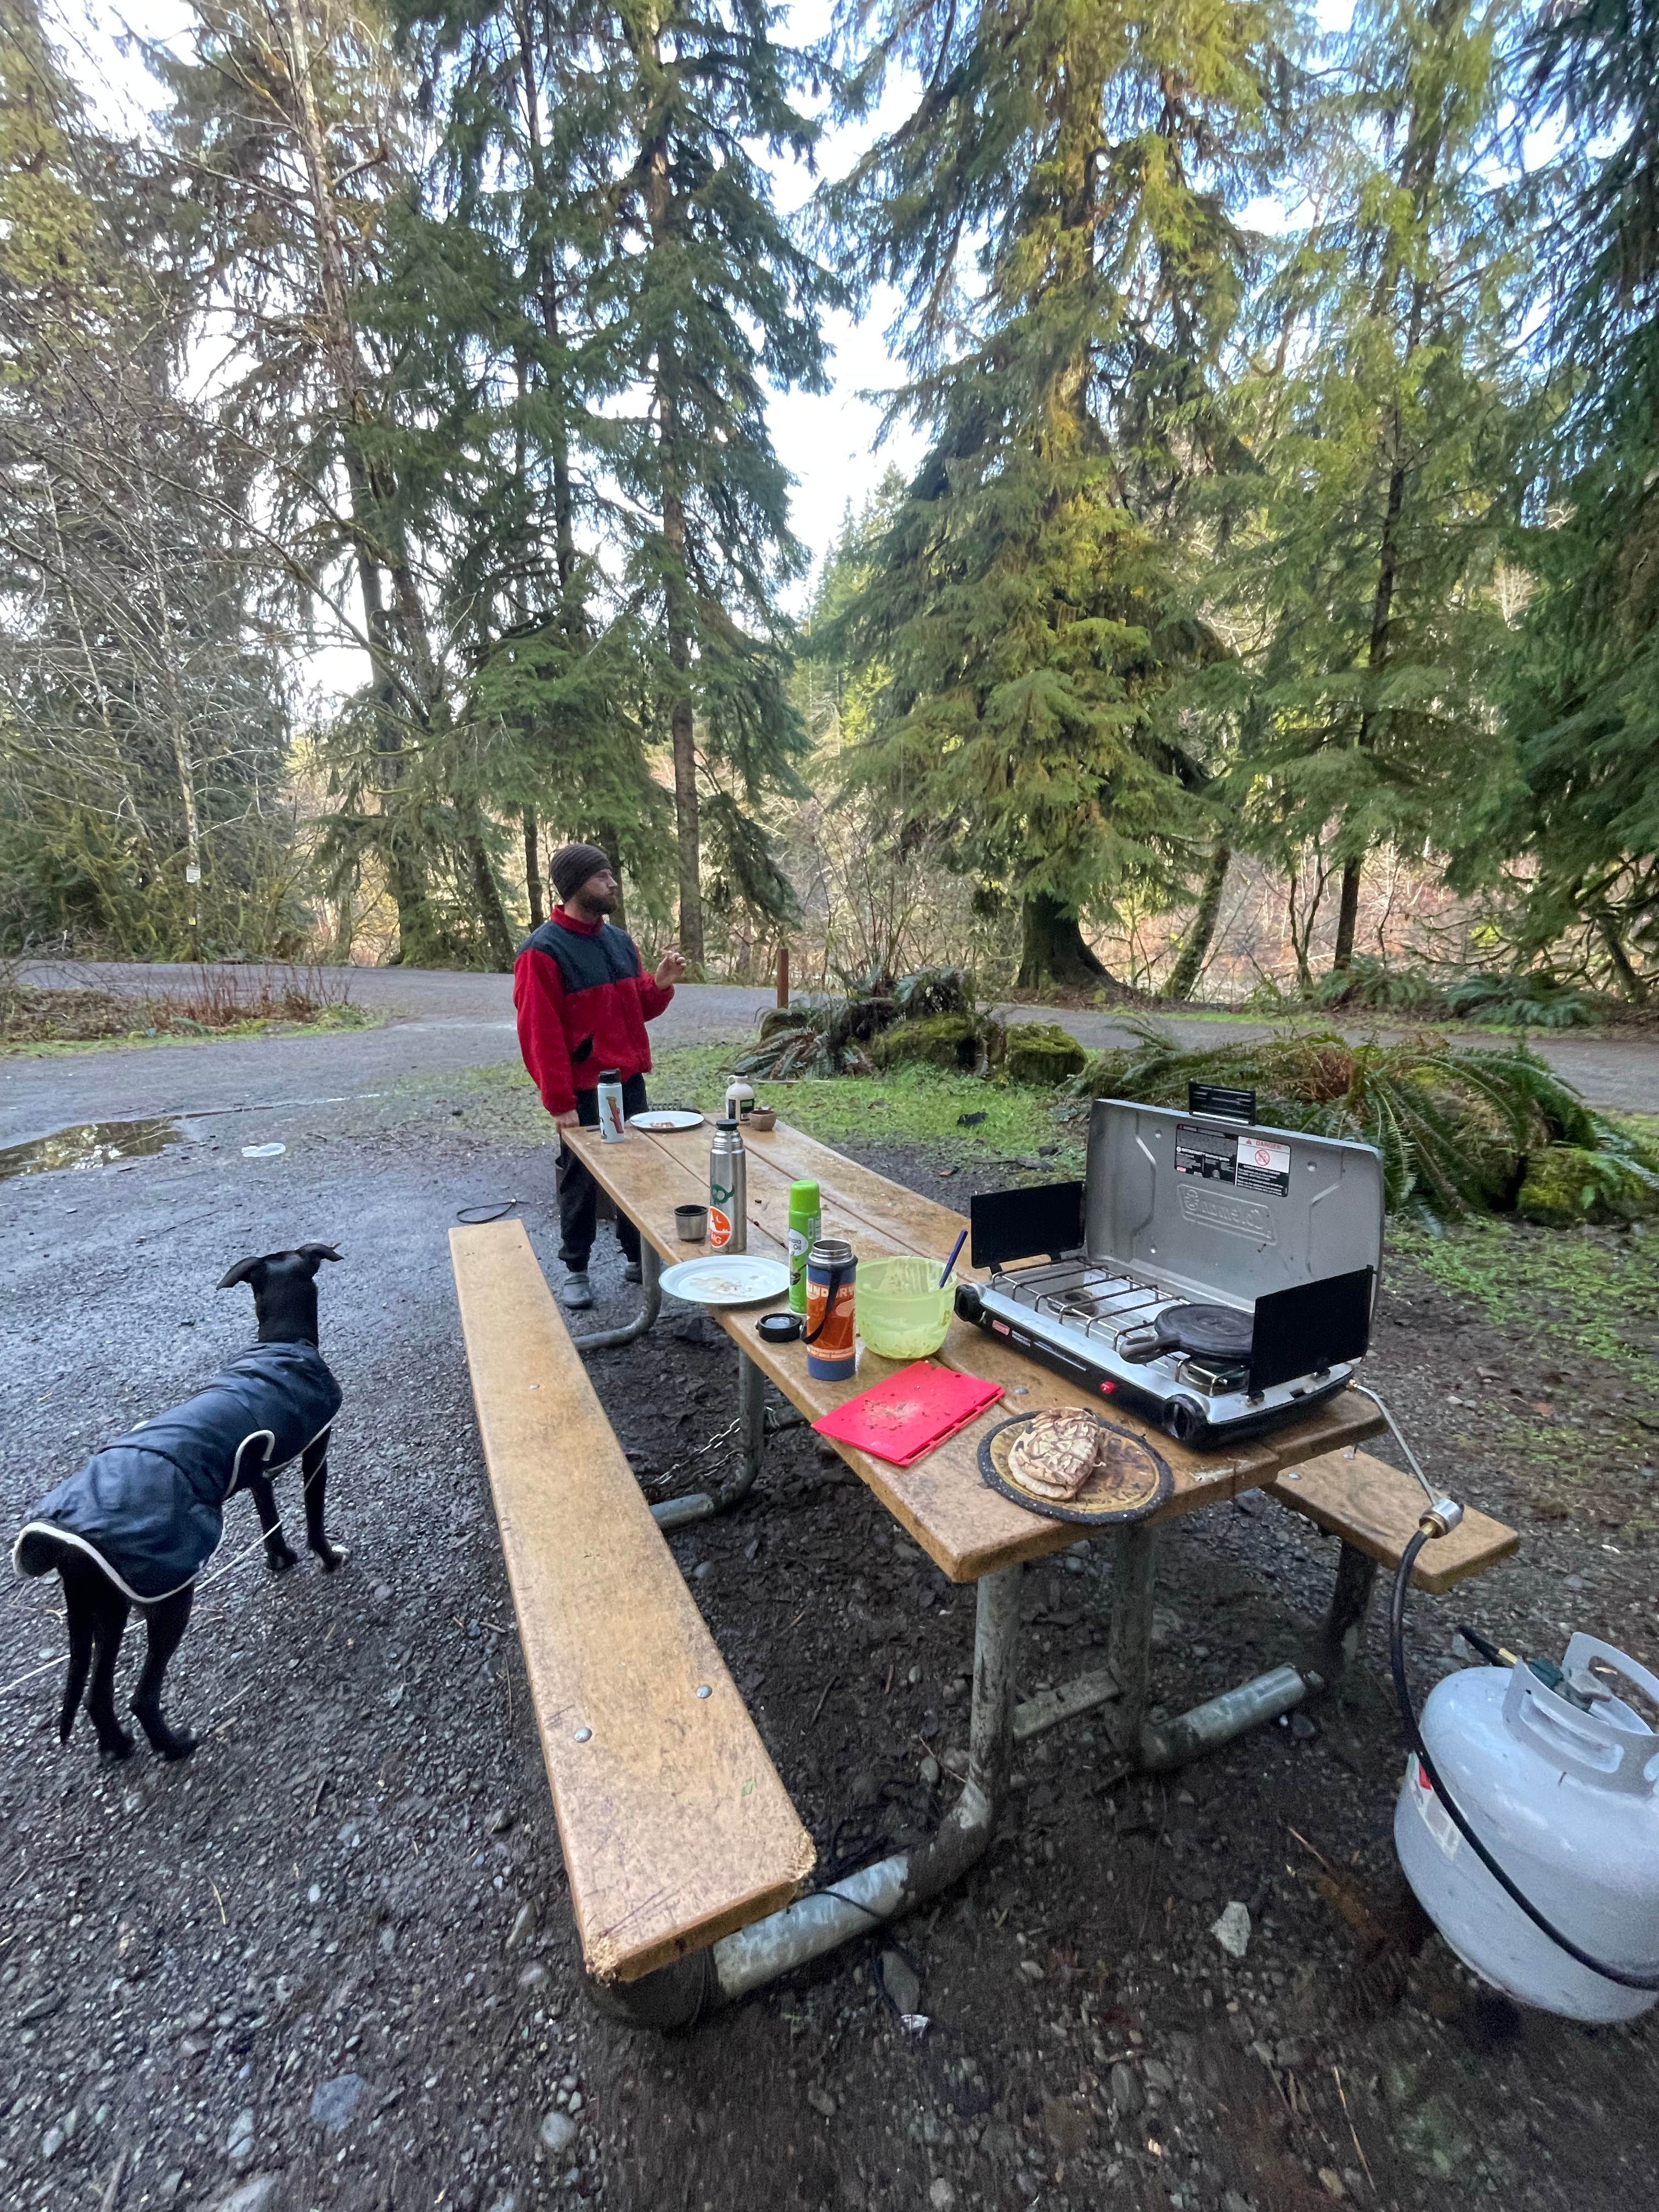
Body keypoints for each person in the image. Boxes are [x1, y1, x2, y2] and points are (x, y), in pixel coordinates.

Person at [514, 843, 686, 1308]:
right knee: (581, 1176)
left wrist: (661, 984)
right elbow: (539, 1034)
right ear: (575, 887)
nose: (612, 884)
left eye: (611, 875)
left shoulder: (619, 941)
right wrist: (560, 1103)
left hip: (628, 1082)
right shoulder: (542, 952)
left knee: (636, 1170)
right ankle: (576, 1268)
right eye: (602, 876)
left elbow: (638, 1009)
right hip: (586, 1090)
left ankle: (637, 1258)